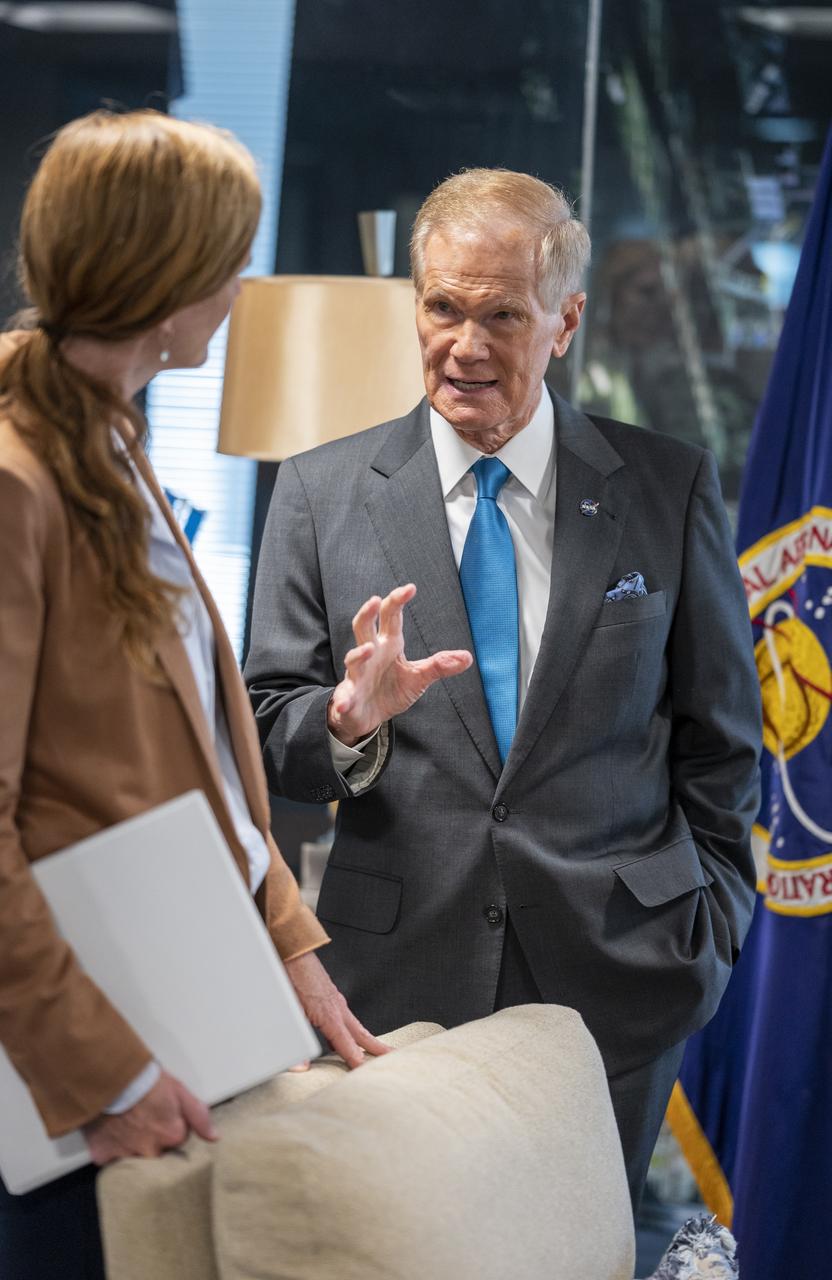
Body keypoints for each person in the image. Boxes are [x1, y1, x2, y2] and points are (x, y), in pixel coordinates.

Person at [245, 167, 762, 1214]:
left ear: (564, 321)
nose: (464, 345)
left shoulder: (666, 485)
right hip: (395, 978)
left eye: (501, 315)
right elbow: (264, 729)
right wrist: (346, 719)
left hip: (618, 972)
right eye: (441, 306)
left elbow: (722, 740)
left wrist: (709, 924)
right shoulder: (318, 491)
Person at [0, 109, 386, 1280]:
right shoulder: (16, 479)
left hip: (173, 1009)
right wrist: (100, 1075)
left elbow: (200, 761)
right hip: (74, 1064)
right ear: (166, 288)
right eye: (230, 256)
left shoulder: (111, 444)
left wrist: (290, 951)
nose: (241, 286)